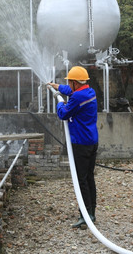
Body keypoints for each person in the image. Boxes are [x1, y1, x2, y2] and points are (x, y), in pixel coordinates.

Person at [48, 66, 99, 229]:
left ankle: (85, 215)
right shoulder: (89, 92)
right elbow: (72, 92)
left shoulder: (77, 97)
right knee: (89, 177)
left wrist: (60, 101)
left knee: (81, 179)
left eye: (70, 82)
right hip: (92, 140)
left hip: (81, 143)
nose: (68, 85)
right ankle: (91, 212)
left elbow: (63, 113)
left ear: (75, 83)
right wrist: (58, 87)